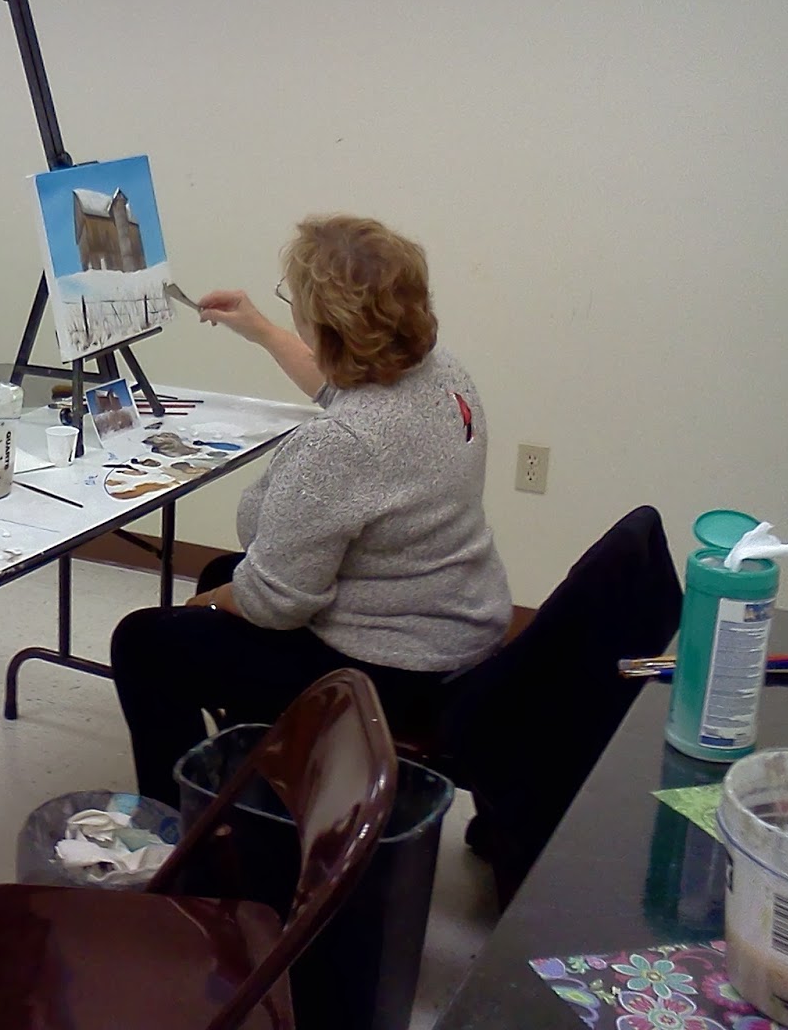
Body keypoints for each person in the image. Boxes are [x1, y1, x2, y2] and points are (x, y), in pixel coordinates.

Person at [111, 214, 511, 802]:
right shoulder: (438, 371)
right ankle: (259, 774)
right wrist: (260, 329)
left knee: (145, 643)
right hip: (457, 625)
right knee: (223, 572)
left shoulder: (342, 444)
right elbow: (339, 384)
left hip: (391, 673)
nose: (289, 307)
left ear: (327, 325)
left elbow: (277, 603)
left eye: (292, 300)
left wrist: (207, 605)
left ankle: (182, 825)